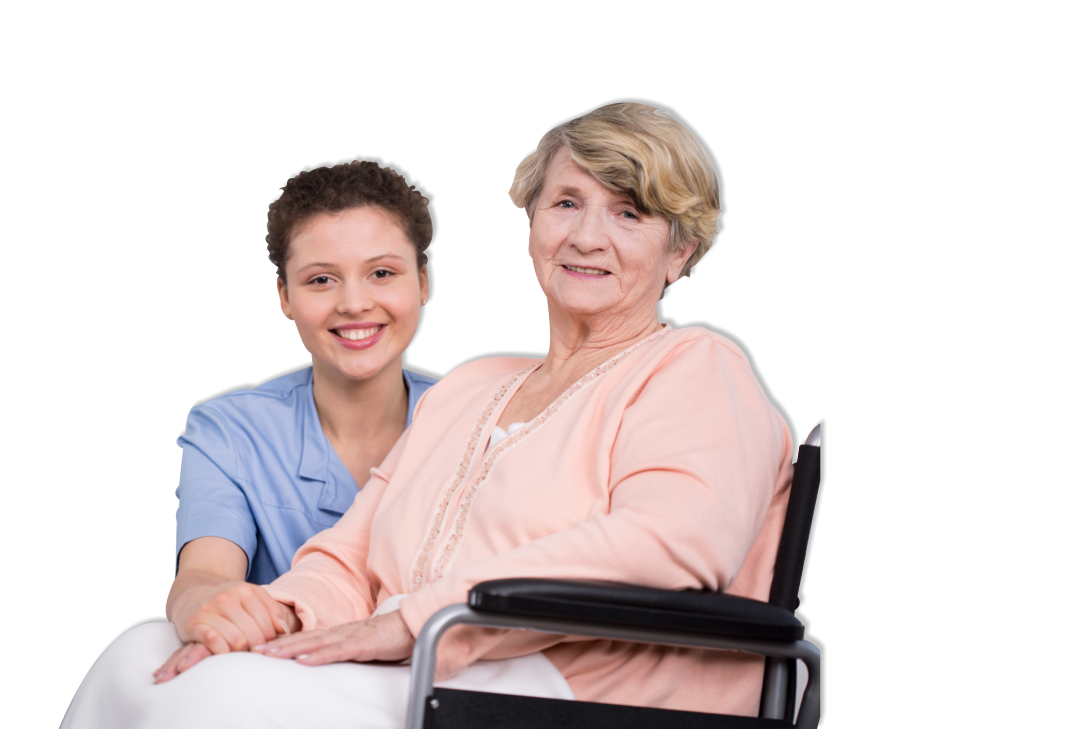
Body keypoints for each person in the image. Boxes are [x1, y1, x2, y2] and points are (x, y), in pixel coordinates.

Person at [62, 105, 795, 728]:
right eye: (566, 202)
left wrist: (412, 619)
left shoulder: (697, 366)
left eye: (628, 212)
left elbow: (670, 542)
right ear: (532, 220)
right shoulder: (473, 385)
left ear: (681, 250)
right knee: (139, 654)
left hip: (581, 681)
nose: (586, 235)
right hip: (440, 655)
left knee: (227, 695)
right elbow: (350, 552)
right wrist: (275, 616)